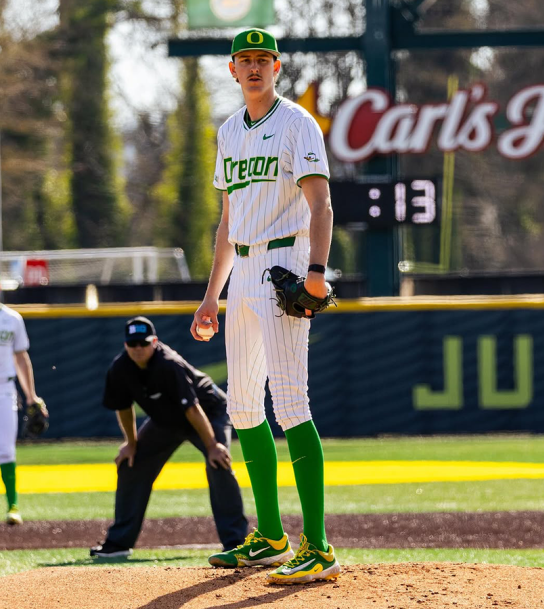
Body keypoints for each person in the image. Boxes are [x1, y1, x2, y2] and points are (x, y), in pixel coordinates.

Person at [190, 28, 340, 585]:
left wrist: (317, 273)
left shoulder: (298, 123)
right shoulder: (230, 130)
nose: (254, 68)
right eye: (244, 60)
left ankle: (318, 545)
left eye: (263, 59)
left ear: (277, 66)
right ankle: (272, 536)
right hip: (243, 271)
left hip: (284, 264)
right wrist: (212, 295)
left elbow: (321, 203)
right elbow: (227, 222)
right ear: (232, 69)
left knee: (292, 403)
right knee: (244, 408)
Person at [90, 317, 247, 558]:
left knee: (218, 462)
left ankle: (235, 542)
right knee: (131, 463)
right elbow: (123, 406)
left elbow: (192, 409)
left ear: (154, 342)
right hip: (167, 420)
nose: (138, 348)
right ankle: (119, 543)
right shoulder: (120, 368)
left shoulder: (168, 364)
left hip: (208, 412)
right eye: (133, 344)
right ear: (125, 345)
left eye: (144, 343)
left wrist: (212, 446)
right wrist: (131, 444)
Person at [0, 303, 45, 525]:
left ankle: (13, 506)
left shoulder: (12, 318)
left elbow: (20, 358)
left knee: (6, 451)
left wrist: (31, 396)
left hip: (4, 388)